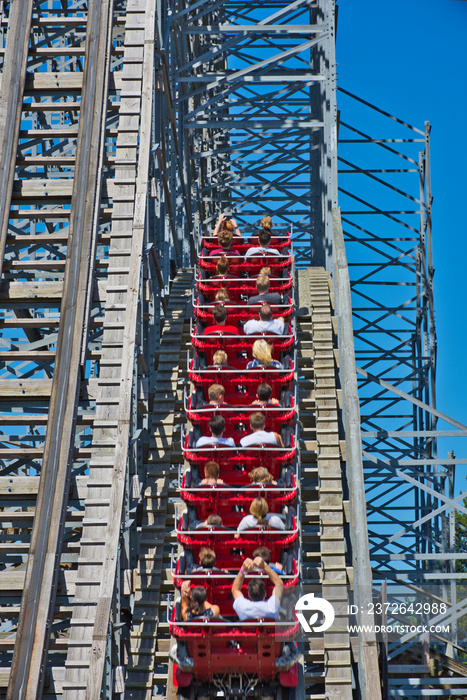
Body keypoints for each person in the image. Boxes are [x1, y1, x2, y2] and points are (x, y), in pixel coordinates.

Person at [231, 555, 283, 620]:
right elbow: (279, 583)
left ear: (249, 595)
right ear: (265, 594)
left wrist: (243, 569)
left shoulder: (243, 607)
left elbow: (235, 589)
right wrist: (265, 566)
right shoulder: (273, 607)